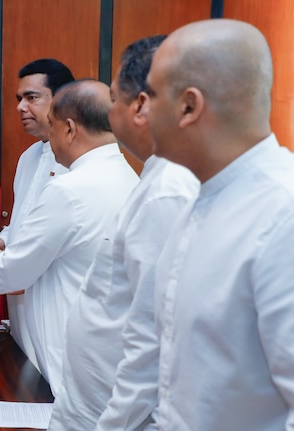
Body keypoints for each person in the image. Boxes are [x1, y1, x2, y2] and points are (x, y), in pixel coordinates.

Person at [147, 19, 294, 430]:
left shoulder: (282, 214)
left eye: (152, 95)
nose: (143, 110)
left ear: (189, 107)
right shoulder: (204, 198)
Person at [48, 36, 199, 431]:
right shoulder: (156, 175)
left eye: (114, 99)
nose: (108, 113)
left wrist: (114, 423)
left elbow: (155, 337)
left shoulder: (168, 190)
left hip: (113, 415)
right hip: (95, 403)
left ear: (141, 106)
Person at [0, 79, 139, 397]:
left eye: (51, 127)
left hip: (67, 346)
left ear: (69, 129)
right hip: (106, 344)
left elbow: (18, 269)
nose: (48, 139)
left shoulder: (69, 189)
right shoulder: (128, 176)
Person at [0, 59, 74, 368]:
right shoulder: (28, 156)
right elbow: (22, 219)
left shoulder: (77, 160)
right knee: (23, 378)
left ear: (61, 99)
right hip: (19, 297)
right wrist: (2, 239)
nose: (20, 107)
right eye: (19, 99)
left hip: (56, 300)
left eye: (31, 97)